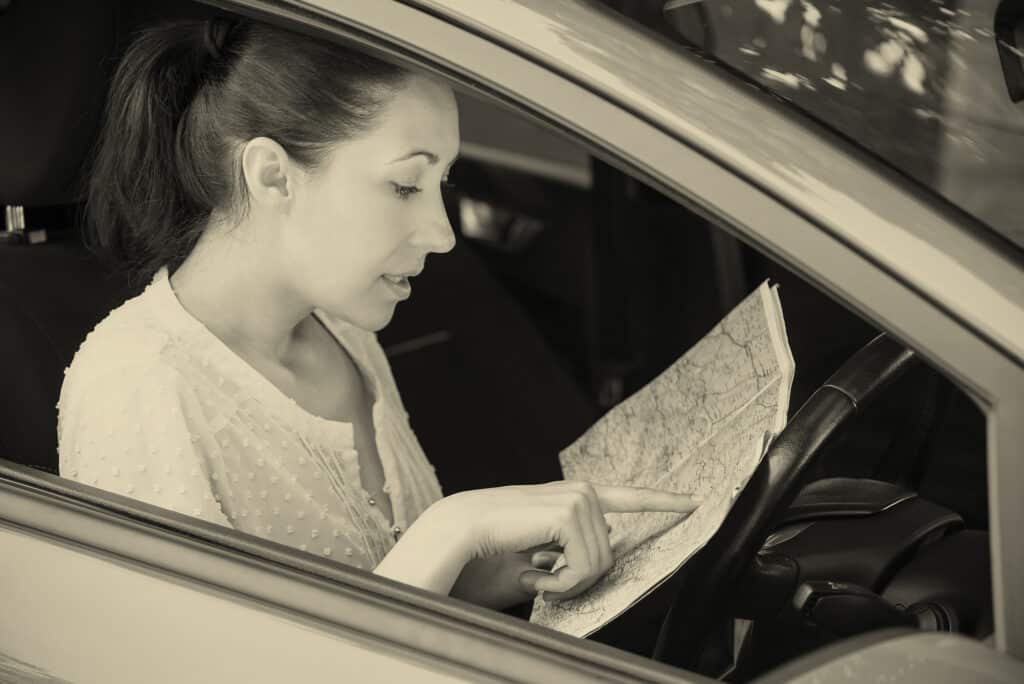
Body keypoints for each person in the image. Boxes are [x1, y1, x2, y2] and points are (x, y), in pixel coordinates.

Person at [57, 17, 701, 611]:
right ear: (274, 176)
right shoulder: (139, 384)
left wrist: (510, 562)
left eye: (441, 184)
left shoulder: (339, 334)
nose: (443, 235)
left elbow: (383, 587)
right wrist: (452, 527)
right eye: (404, 186)